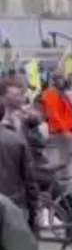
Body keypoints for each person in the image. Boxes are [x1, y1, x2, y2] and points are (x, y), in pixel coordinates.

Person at [0, 80, 37, 224]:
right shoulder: (13, 131)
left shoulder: (22, 117)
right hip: (13, 198)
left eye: (19, 95)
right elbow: (28, 177)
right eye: (14, 95)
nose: (19, 98)